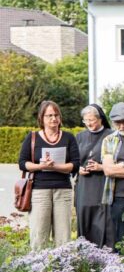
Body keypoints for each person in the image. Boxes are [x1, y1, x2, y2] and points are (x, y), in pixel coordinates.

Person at [18, 100, 79, 251]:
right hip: (39, 190)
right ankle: (38, 270)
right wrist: (41, 166)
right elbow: (22, 163)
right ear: (42, 118)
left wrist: (55, 166)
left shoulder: (68, 137)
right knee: (39, 235)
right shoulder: (32, 137)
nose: (53, 119)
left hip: (63, 190)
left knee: (63, 236)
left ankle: (62, 271)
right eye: (49, 115)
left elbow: (75, 164)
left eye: (56, 115)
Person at [75, 104, 113, 248]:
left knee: (103, 221)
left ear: (100, 119)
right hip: (84, 187)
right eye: (86, 120)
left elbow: (118, 161)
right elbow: (71, 161)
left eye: (92, 120)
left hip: (102, 185)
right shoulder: (80, 137)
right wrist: (78, 169)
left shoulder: (111, 135)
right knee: (84, 219)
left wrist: (101, 167)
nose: (89, 123)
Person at [101, 102, 124, 250]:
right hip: (119, 198)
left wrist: (121, 165)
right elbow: (108, 171)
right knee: (122, 243)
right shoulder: (109, 140)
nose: (122, 126)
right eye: (117, 123)